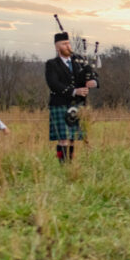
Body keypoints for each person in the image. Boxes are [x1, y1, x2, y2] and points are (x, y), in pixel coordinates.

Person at [45, 30, 98, 163]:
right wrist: (75, 91)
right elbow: (54, 84)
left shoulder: (78, 61)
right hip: (60, 104)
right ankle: (63, 165)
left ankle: (70, 164)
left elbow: (92, 75)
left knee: (73, 138)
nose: (68, 46)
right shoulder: (52, 64)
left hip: (77, 104)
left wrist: (94, 82)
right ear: (57, 47)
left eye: (68, 43)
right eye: (64, 44)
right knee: (63, 138)